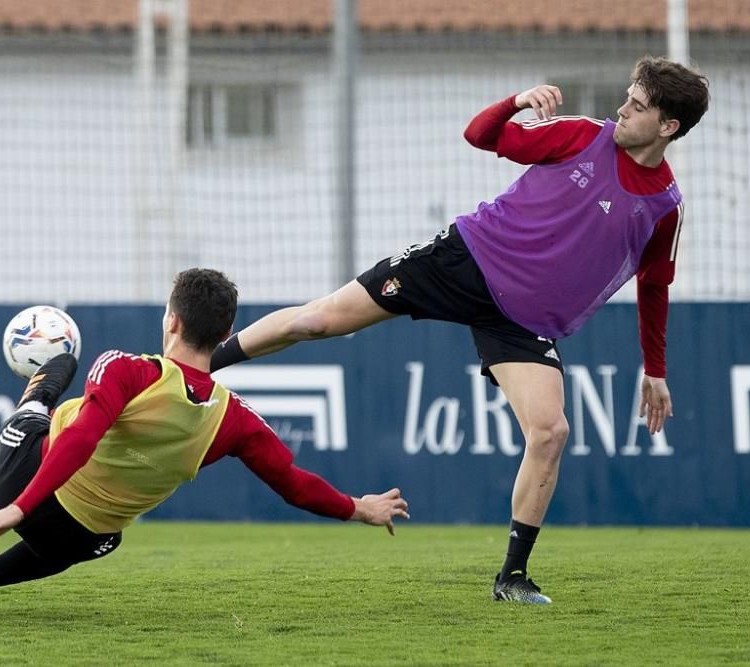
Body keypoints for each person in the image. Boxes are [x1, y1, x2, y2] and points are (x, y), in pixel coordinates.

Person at [210, 56, 710, 604]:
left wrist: (656, 371)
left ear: (668, 127)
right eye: (627, 96)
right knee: (319, 321)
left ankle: (512, 578)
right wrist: (517, 102)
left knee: (551, 433)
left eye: (638, 106)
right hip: (463, 261)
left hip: (521, 320)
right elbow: (481, 136)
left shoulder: (665, 206)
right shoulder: (582, 136)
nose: (622, 109)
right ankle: (203, 363)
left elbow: (654, 287)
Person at [0, 268, 409, 615]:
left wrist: (17, 508)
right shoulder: (236, 420)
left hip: (17, 480)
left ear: (171, 319)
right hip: (77, 536)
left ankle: (36, 390)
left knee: (53, 386)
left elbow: (81, 437)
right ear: (226, 331)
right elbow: (293, 485)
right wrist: (359, 508)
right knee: (105, 538)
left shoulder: (128, 369)